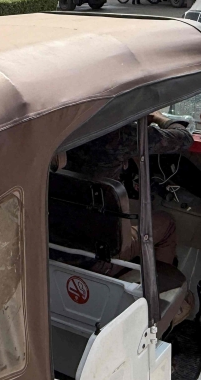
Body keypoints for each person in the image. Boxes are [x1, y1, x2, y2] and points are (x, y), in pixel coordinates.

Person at [65, 112, 192, 265]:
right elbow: (184, 139)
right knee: (167, 223)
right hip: (102, 251)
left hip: (61, 238)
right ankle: (162, 284)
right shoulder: (122, 135)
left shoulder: (62, 128)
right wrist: (160, 118)